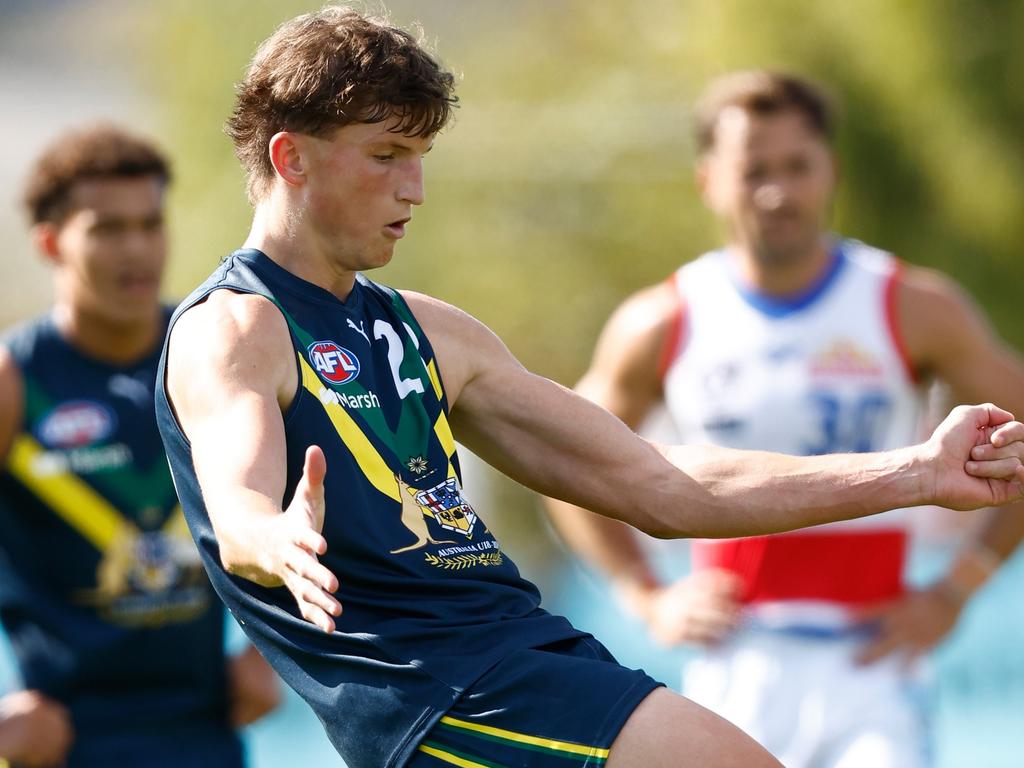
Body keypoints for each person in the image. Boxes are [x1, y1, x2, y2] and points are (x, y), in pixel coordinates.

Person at [154, 9, 1024, 768]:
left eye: (419, 156)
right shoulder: (235, 328)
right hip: (439, 695)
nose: (414, 188)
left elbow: (656, 482)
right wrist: (275, 539)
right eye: (386, 156)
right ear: (292, 158)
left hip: (526, 654)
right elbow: (238, 507)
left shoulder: (432, 332)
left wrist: (916, 471)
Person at [545, 70, 1024, 768]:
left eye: (797, 166)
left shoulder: (912, 306)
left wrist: (959, 587)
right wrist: (645, 596)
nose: (778, 191)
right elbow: (564, 461)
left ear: (830, 170)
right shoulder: (664, 320)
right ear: (709, 181)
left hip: (876, 667)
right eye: (754, 171)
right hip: (734, 665)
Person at [0, 124, 281, 768]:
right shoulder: (15, 383)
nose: (137, 249)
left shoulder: (217, 353)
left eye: (150, 224)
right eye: (107, 229)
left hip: (208, 737)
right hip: (63, 747)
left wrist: (271, 653)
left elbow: (320, 505)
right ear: (51, 243)